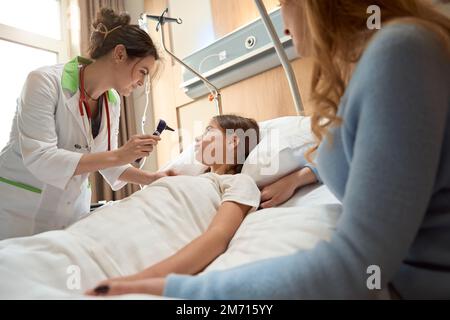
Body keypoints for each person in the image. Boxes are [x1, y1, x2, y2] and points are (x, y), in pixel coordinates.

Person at [89, 0, 450, 299]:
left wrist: (169, 290)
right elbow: (370, 156)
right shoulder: (368, 69)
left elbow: (356, 262)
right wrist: (300, 175)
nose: (282, 17)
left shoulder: (401, 53)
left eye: (285, 2)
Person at [0, 8, 172, 240]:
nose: (141, 83)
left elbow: (106, 161)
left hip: (71, 214)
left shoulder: (112, 101)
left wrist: (152, 178)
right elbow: (41, 158)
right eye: (142, 72)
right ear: (119, 54)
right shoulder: (43, 82)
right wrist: (120, 155)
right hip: (20, 211)